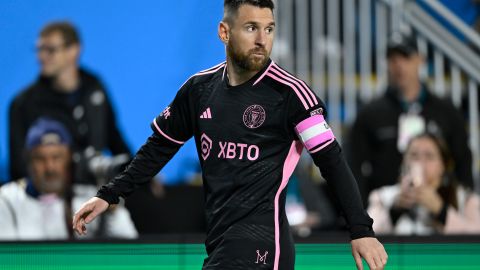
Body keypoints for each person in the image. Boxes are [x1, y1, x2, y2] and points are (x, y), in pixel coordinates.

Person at [73, 1, 387, 269]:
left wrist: (361, 229)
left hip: (263, 244)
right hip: (221, 243)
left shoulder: (292, 95)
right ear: (225, 32)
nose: (263, 40)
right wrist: (110, 194)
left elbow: (332, 161)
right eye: (251, 28)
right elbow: (158, 148)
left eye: (269, 28)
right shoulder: (199, 90)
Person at [347, 31, 473, 204]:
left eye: (405, 56)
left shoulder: (446, 111)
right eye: (392, 59)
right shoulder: (370, 114)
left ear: (420, 59)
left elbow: (463, 160)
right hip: (387, 213)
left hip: (438, 211)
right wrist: (363, 211)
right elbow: (353, 163)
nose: (399, 65)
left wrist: (460, 204)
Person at [9, 21, 131, 184]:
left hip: (97, 188)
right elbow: (19, 168)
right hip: (51, 196)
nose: (41, 57)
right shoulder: (23, 104)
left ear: (74, 50)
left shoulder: (95, 87)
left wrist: (138, 172)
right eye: (39, 49)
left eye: (50, 50)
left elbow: (113, 136)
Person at [0, 118, 137, 240]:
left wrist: (112, 210)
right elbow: (7, 257)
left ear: (70, 159)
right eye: (40, 159)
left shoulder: (88, 198)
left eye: (57, 157)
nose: (50, 168)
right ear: (28, 161)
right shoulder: (7, 199)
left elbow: (128, 245)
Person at [367, 133, 480, 235]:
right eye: (414, 155)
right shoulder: (383, 197)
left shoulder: (465, 199)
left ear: (443, 165)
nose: (420, 162)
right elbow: (364, 236)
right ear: (404, 162)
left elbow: (475, 238)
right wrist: (394, 212)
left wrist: (442, 212)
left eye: (429, 156)